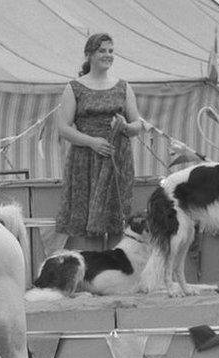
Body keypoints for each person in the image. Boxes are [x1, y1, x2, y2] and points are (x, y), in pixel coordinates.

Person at [55, 33, 146, 251]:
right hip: (86, 159)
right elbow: (63, 128)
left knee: (116, 219)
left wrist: (125, 126)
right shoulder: (74, 87)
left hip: (117, 158)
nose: (107, 55)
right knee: (90, 222)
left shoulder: (123, 87)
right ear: (89, 54)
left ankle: (115, 274)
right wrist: (91, 142)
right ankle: (94, 274)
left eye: (110, 51)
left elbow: (138, 125)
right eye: (102, 51)